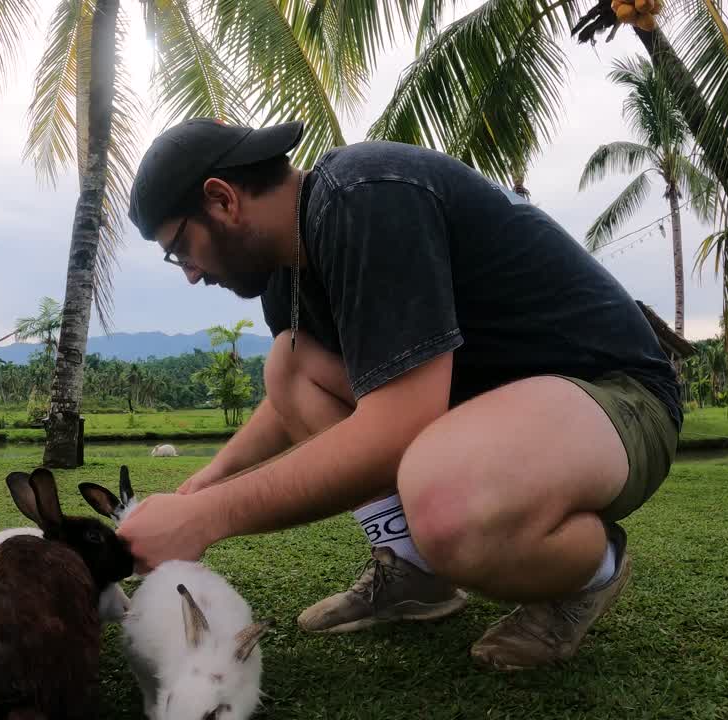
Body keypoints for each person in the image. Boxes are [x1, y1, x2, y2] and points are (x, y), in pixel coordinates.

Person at [116, 118, 681, 671]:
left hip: (615, 398)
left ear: (221, 201)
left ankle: (595, 569)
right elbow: (291, 399)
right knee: (288, 363)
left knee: (444, 500)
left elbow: (398, 426)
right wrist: (211, 480)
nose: (189, 273)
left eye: (179, 248)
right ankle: (415, 573)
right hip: (494, 414)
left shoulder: (366, 197)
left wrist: (209, 518)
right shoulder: (287, 277)